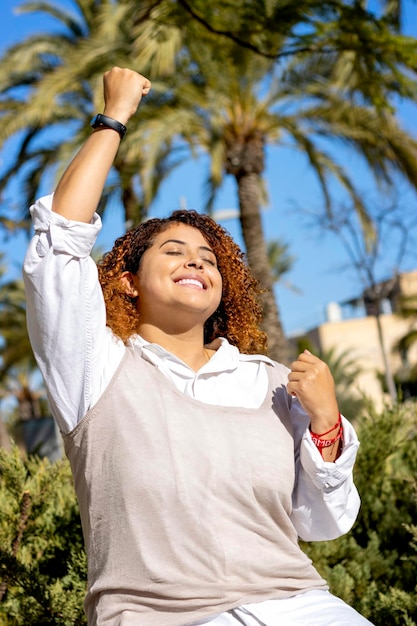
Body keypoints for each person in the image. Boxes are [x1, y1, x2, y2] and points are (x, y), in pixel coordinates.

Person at [23, 67, 373, 626]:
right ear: (126, 280)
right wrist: (113, 119)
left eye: (209, 259)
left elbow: (323, 523)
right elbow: (59, 238)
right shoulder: (94, 366)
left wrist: (327, 423)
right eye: (174, 251)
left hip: (302, 609)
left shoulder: (274, 383)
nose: (197, 262)